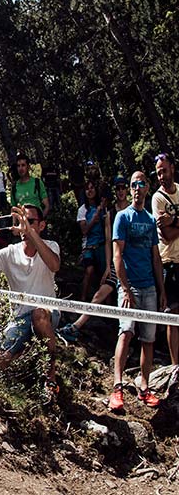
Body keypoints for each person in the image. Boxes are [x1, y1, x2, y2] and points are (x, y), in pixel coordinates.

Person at [0, 204, 61, 403]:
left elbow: (54, 265)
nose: (23, 225)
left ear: (41, 225)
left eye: (29, 221)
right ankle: (20, 364)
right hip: (19, 318)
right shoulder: (10, 253)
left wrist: (30, 233)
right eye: (19, 221)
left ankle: (50, 376)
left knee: (39, 315)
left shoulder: (50, 246)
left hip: (46, 313)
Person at [107, 171, 166, 412]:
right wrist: (125, 288)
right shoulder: (122, 217)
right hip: (129, 286)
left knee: (149, 339)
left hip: (149, 286)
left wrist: (161, 289)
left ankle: (144, 387)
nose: (137, 188)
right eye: (133, 184)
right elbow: (117, 254)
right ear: (130, 189)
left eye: (141, 183)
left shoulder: (151, 220)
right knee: (126, 331)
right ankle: (117, 387)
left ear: (147, 187)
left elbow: (156, 257)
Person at [59, 177, 123, 343]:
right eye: (118, 188)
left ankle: (110, 319)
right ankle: (81, 311)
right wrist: (111, 264)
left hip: (128, 260)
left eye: (124, 188)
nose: (121, 191)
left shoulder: (108, 210)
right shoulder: (95, 211)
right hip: (98, 250)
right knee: (97, 277)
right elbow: (96, 234)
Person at [151, 153, 179, 366]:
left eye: (164, 170)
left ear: (172, 168)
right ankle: (175, 366)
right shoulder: (157, 198)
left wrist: (175, 220)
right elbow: (167, 235)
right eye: (158, 172)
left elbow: (171, 228)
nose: (161, 175)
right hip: (170, 262)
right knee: (173, 317)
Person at [76, 180, 111, 305]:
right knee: (89, 270)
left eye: (92, 188)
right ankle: (83, 299)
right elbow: (84, 230)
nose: (90, 191)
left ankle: (108, 305)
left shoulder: (102, 208)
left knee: (105, 275)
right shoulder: (82, 210)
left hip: (101, 245)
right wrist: (94, 218)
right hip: (89, 246)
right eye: (87, 189)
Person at [10, 153, 50, 219]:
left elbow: (47, 206)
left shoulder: (37, 182)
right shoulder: (14, 187)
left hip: (37, 225)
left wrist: (38, 221)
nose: (20, 168)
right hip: (22, 225)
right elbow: (13, 209)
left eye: (23, 165)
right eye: (18, 166)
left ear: (28, 167)